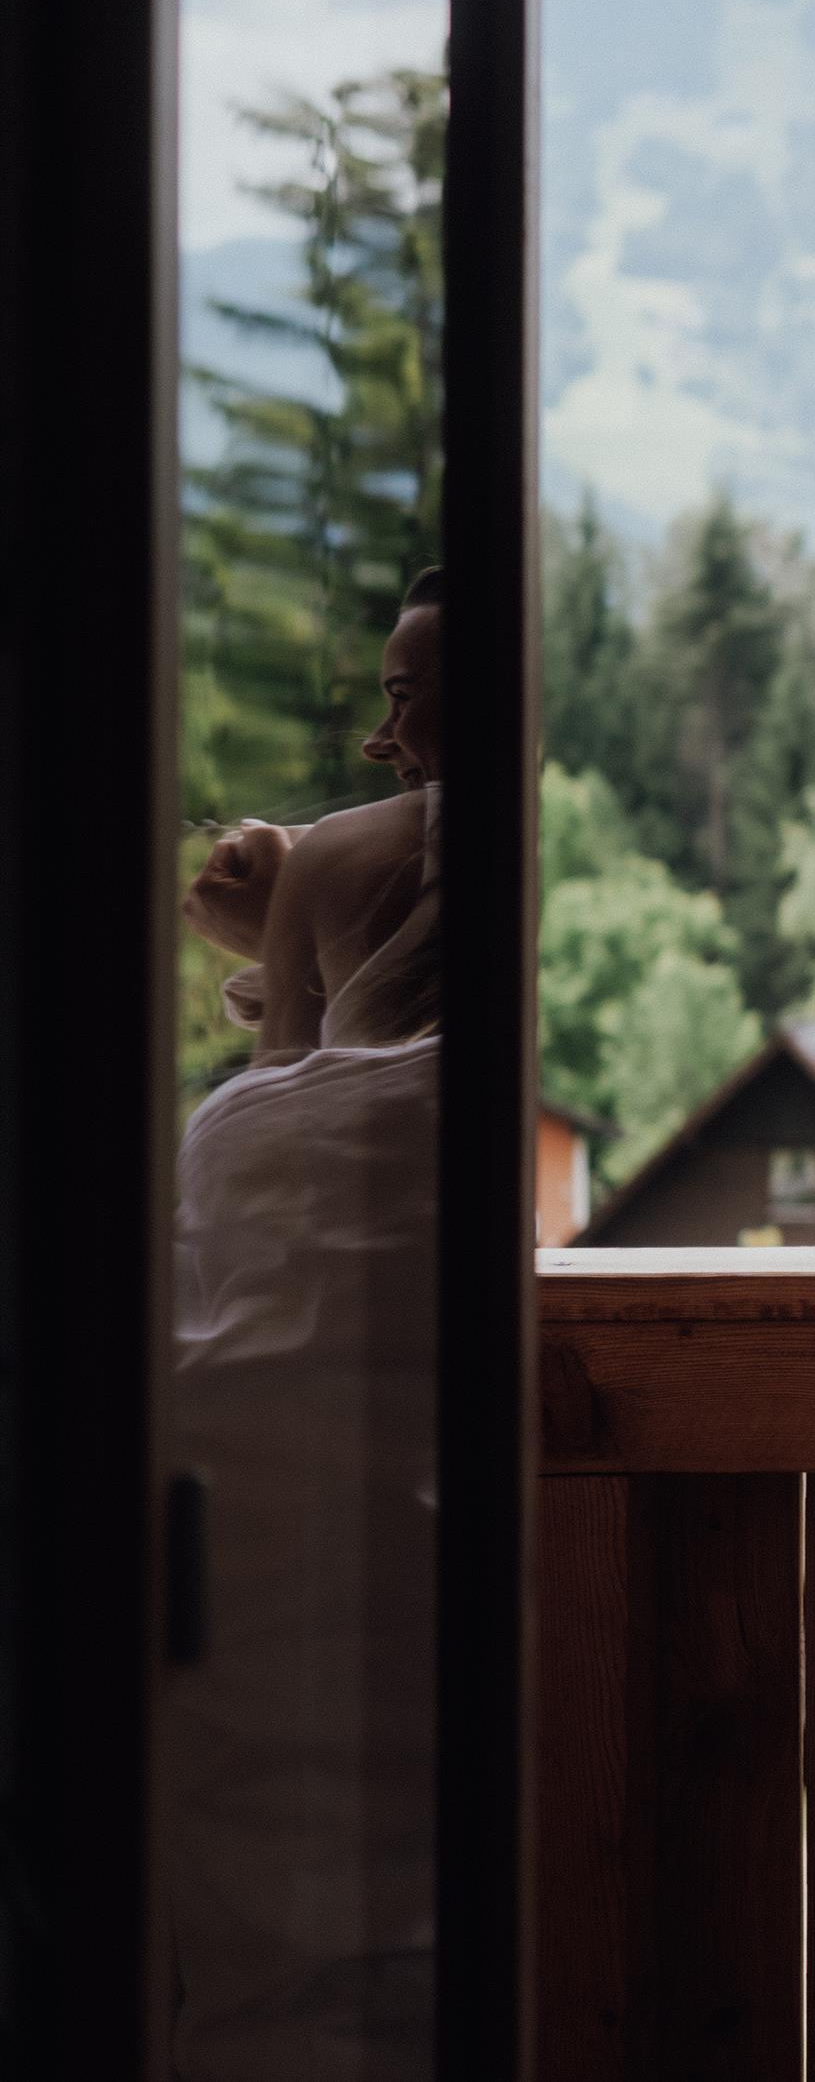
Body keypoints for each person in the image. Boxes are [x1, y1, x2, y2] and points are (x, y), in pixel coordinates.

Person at [162, 566, 449, 2077]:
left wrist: (275, 930)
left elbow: (286, 1088)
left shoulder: (339, 854)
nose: (383, 739)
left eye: (401, 699)